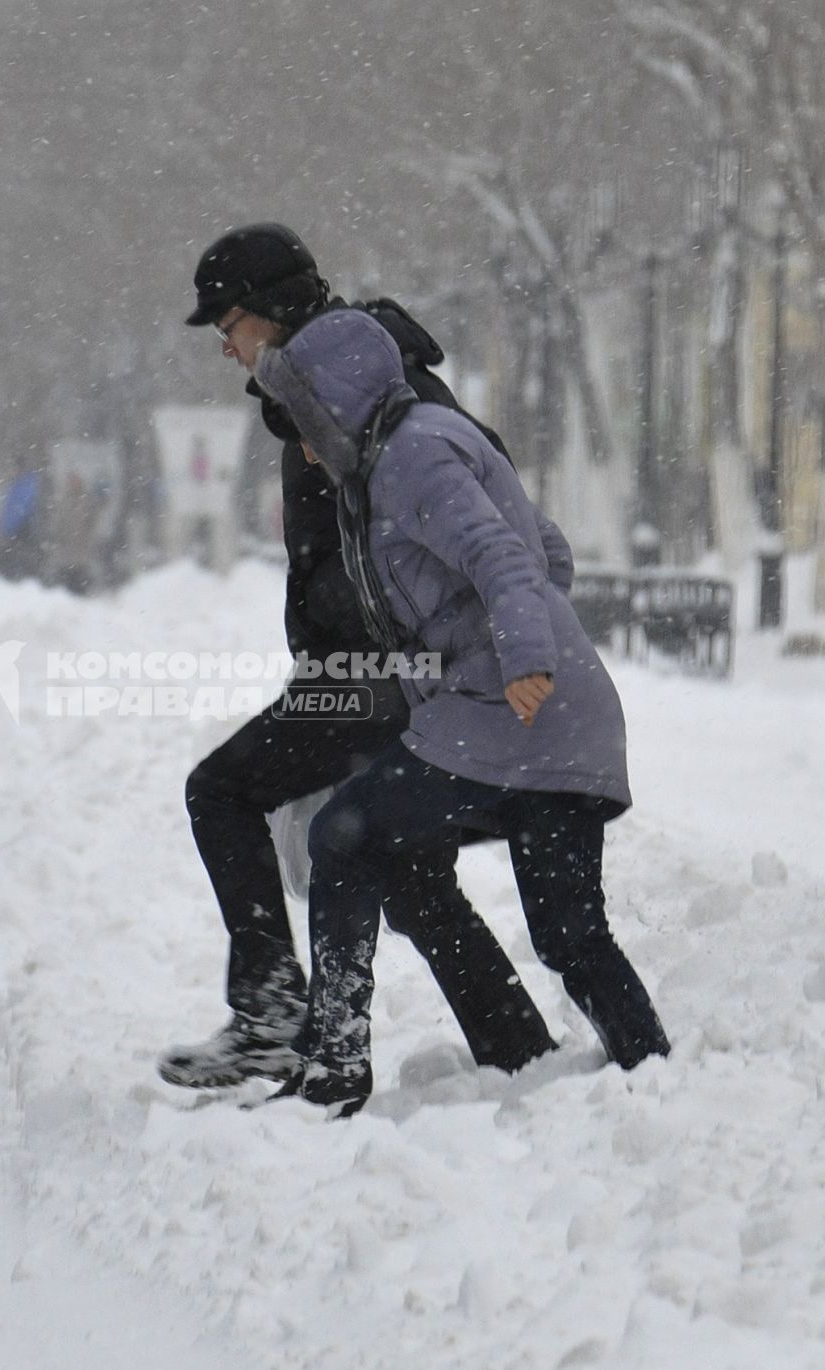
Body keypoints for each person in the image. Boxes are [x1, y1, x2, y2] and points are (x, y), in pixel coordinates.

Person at [157, 225, 558, 1093]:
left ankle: (274, 1017)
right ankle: (518, 1053)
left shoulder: (379, 390)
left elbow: (490, 504)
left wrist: (454, 645)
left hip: (382, 678)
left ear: (271, 311)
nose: (225, 347)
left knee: (221, 791)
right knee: (405, 870)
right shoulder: (327, 388)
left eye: (229, 324)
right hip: (371, 674)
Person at [246, 304, 670, 1116]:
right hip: (567, 717)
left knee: (346, 835)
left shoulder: (412, 460)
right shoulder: (426, 445)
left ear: (336, 407)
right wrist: (512, 646)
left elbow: (503, 554)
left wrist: (522, 659)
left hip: (513, 708)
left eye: (304, 423)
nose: (301, 446)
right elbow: (548, 549)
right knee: (569, 936)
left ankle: (334, 1067)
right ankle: (646, 1075)